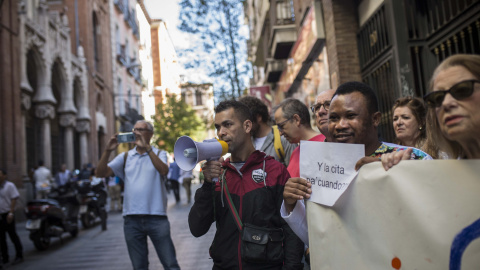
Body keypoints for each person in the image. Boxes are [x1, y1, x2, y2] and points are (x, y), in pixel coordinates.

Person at [281, 81, 432, 246]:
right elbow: (319, 237)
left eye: (350, 116)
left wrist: (396, 174)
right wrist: (291, 205)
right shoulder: (321, 169)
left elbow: (432, 223)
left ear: (375, 119)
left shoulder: (413, 159)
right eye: (334, 118)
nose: (340, 125)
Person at [188, 100, 304, 269]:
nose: (221, 132)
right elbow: (197, 228)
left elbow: (291, 228)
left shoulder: (275, 171)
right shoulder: (219, 176)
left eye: (227, 125)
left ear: (247, 126)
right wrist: (207, 185)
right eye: (218, 127)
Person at [96, 120, 180, 270]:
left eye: (142, 129)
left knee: (170, 264)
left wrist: (147, 149)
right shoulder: (126, 156)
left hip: (157, 217)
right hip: (132, 220)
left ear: (151, 134)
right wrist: (108, 150)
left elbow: (164, 171)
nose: (137, 133)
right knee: (139, 266)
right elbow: (100, 173)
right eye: (135, 130)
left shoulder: (160, 153)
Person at [381, 54, 480, 170]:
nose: (446, 103)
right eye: (438, 98)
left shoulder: (437, 156)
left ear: (421, 122)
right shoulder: (450, 169)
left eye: (462, 90)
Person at [239, 96, 297, 166]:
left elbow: (294, 171)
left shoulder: (283, 137)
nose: (244, 126)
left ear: (258, 117)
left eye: (247, 122)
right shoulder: (247, 143)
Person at [274, 98, 325, 178]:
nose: (280, 133)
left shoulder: (325, 144)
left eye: (282, 126)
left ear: (296, 119)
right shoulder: (296, 151)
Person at [0, 169, 23, 266]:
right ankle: (5, 258)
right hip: (0, 215)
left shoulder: (10, 185)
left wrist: (11, 213)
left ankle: (19, 255)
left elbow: (14, 198)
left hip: (8, 214)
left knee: (13, 235)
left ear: (4, 175)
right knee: (1, 238)